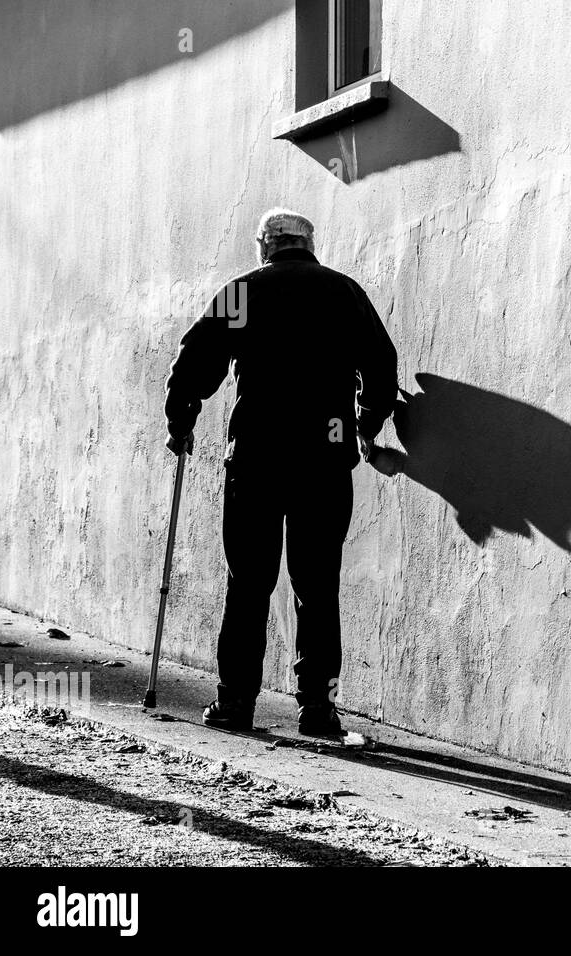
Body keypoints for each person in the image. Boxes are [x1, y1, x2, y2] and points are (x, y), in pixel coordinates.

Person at [163, 208, 398, 735]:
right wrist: (366, 421)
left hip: (256, 459)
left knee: (248, 582)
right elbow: (381, 365)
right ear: (308, 244)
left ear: (264, 245)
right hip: (324, 460)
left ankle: (235, 704)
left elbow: (195, 361)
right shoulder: (342, 293)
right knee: (317, 585)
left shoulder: (243, 292)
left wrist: (182, 421)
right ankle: (317, 708)